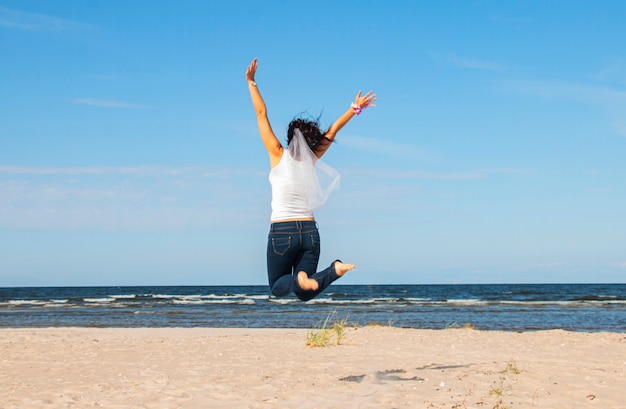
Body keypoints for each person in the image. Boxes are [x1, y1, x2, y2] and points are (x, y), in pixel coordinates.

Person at [246, 57, 376, 301]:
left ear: (289, 138)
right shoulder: (312, 158)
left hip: (282, 230)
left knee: (277, 286)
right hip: (310, 232)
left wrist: (251, 82)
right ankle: (332, 271)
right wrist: (355, 108)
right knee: (305, 293)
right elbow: (333, 130)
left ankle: (304, 277)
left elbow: (261, 113)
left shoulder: (277, 154)